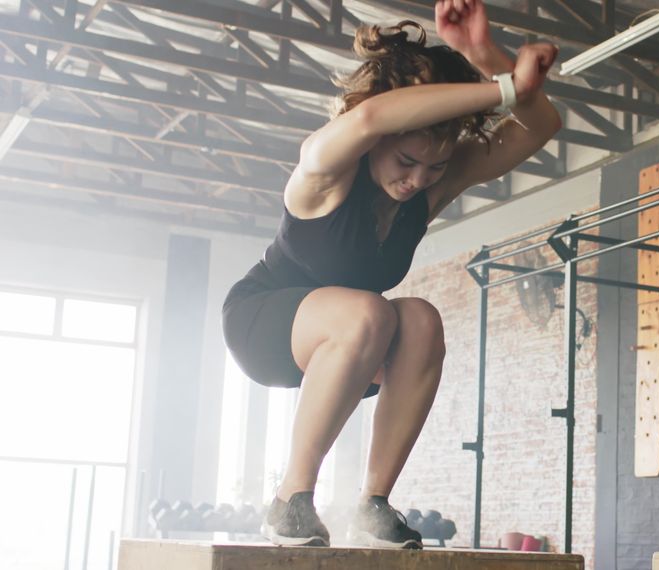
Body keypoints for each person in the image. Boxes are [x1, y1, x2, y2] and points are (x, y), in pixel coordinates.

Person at [221, 0, 560, 548]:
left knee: (421, 317)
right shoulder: (326, 169)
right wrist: (503, 89)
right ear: (378, 146)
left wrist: (483, 53)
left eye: (436, 167)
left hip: (353, 344)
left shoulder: (428, 187)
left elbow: (541, 125)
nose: (418, 180)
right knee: (370, 310)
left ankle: (373, 505)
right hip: (263, 323)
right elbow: (372, 117)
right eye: (406, 162)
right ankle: (291, 499)